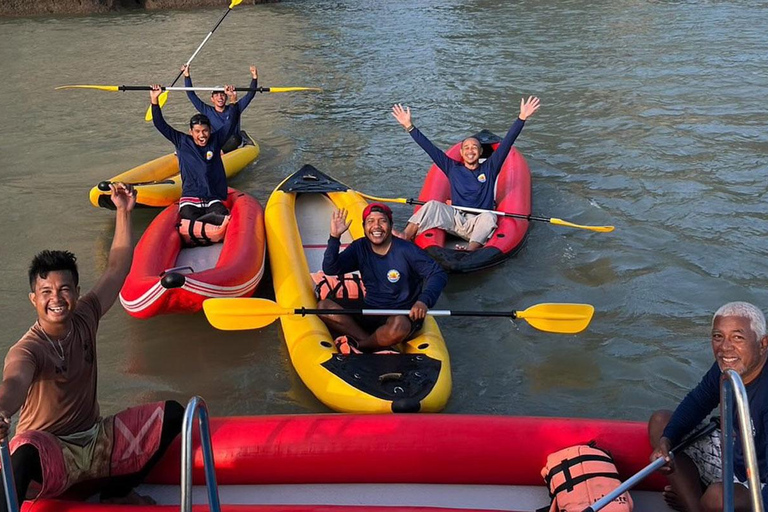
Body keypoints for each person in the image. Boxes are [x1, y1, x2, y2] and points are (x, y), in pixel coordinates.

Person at [0, 183, 184, 510]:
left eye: (64, 289)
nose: (56, 299)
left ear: (76, 291)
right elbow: (13, 383)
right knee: (24, 451)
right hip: (50, 453)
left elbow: (116, 269)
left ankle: (117, 492)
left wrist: (125, 212)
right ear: (34, 299)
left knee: (171, 415)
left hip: (94, 439)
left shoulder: (86, 313)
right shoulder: (27, 349)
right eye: (46, 292)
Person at [648, 301, 768, 512]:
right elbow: (697, 402)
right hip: (735, 454)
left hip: (762, 482)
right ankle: (696, 508)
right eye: (718, 336)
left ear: (763, 343)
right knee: (661, 423)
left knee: (717, 498)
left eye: (738, 337)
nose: (725, 347)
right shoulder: (728, 366)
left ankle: (706, 503)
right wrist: (666, 442)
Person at [391, 96, 540, 251]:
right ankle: (406, 235)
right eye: (467, 148)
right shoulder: (452, 167)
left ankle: (471, 248)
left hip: (478, 222)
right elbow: (429, 148)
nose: (471, 151)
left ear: (481, 152)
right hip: (456, 219)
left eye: (474, 147)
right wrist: (409, 126)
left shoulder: (490, 168)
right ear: (461, 152)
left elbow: (508, 142)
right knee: (432, 205)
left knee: (489, 216)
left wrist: (521, 118)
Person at [319, 203, 448, 354]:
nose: (376, 226)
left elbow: (438, 274)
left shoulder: (406, 250)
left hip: (402, 314)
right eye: (371, 221)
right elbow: (331, 268)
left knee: (399, 325)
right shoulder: (360, 247)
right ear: (364, 226)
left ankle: (361, 346)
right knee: (323, 306)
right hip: (371, 308)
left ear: (391, 225)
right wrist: (335, 238)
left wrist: (424, 301)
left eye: (382, 221)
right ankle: (371, 341)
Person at [150, 83, 241, 223]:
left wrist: (233, 99)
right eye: (197, 131)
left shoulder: (216, 139)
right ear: (190, 132)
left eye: (205, 131)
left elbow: (232, 122)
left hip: (212, 197)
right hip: (190, 197)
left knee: (221, 214)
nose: (202, 135)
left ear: (210, 130)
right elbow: (160, 124)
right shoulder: (181, 141)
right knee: (189, 217)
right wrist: (155, 100)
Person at [182, 64, 258, 153]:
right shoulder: (207, 111)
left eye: (222, 95)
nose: (220, 98)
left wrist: (254, 77)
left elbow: (250, 94)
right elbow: (191, 95)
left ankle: (221, 151)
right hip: (217, 142)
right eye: (216, 95)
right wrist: (187, 76)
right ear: (212, 99)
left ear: (226, 97)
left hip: (233, 142)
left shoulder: (235, 108)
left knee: (234, 139)